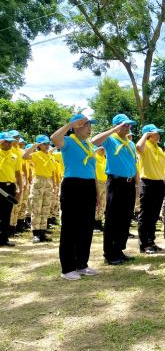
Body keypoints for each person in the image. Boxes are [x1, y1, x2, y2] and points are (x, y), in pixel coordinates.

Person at [50, 114, 98, 280]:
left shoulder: (89, 145)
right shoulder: (68, 141)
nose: (89, 128)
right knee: (71, 227)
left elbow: (92, 169)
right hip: (73, 186)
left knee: (86, 227)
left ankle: (82, 264)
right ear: (76, 126)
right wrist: (70, 124)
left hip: (89, 186)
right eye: (85, 125)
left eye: (90, 125)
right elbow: (54, 137)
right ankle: (68, 268)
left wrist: (96, 191)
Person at [91, 113, 138, 265]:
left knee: (125, 217)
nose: (128, 127)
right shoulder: (111, 140)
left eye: (129, 124)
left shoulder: (130, 144)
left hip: (129, 183)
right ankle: (109, 253)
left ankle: (119, 249)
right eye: (125, 124)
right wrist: (113, 130)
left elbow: (133, 165)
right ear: (117, 126)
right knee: (113, 218)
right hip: (116, 183)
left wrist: (137, 183)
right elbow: (94, 140)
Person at [135, 124, 165, 253]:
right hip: (147, 182)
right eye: (156, 132)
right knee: (145, 214)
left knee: (154, 215)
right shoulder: (145, 145)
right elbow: (138, 147)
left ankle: (151, 241)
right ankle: (144, 244)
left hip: (159, 183)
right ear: (149, 135)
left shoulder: (159, 148)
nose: (158, 134)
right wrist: (146, 134)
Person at [22, 135, 56, 243]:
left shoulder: (51, 156)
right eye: (44, 143)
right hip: (38, 181)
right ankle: (35, 233)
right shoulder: (36, 154)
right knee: (36, 208)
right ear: (39, 145)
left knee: (46, 208)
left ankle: (42, 232)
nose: (47, 145)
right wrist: (34, 146)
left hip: (48, 182)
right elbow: (24, 156)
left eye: (48, 143)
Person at [0, 132, 22, 247]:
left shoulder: (14, 156)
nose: (9, 144)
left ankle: (4, 238)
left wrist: (19, 190)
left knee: (6, 214)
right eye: (6, 141)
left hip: (10, 187)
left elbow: (18, 174)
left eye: (10, 141)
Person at [94, 146, 107, 231]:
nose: (103, 150)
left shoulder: (105, 159)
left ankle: (99, 221)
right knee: (96, 203)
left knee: (103, 203)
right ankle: (93, 222)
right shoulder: (94, 158)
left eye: (104, 149)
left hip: (105, 182)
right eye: (101, 148)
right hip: (96, 182)